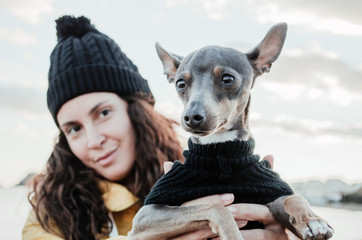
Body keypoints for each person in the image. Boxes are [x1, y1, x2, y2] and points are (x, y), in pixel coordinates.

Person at [22, 15, 291, 240]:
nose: (93, 140)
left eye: (103, 113)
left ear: (137, 112)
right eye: (73, 129)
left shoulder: (194, 169)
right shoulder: (48, 217)